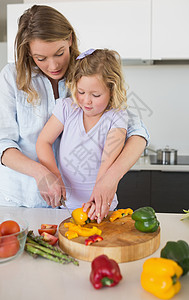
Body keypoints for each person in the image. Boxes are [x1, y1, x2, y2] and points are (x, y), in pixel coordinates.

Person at [0, 5, 149, 219]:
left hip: (76, 205)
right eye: (40, 58)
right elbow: (3, 144)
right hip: (21, 201)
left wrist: (110, 178)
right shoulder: (11, 77)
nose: (52, 65)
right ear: (28, 53)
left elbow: (138, 131)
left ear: (69, 39)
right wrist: (42, 172)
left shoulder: (88, 71)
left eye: (59, 53)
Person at [36, 48, 129, 222]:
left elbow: (107, 163)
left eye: (96, 95)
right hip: (64, 207)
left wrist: (97, 201)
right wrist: (54, 174)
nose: (86, 100)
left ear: (112, 90)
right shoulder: (67, 108)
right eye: (81, 92)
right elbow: (43, 142)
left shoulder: (116, 117)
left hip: (102, 207)